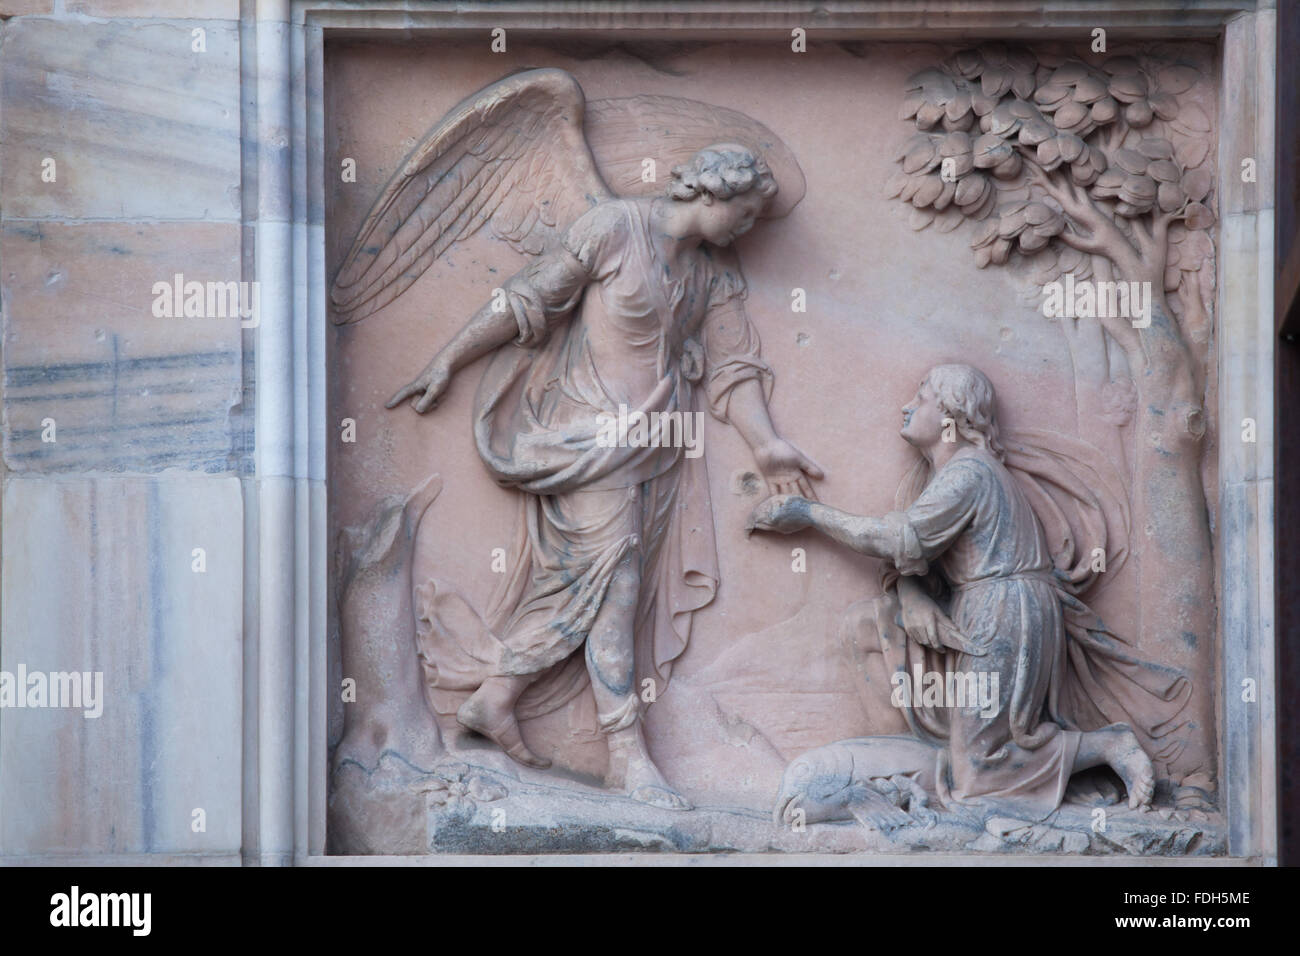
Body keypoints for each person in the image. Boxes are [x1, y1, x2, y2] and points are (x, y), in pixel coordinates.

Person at [391, 144, 823, 809]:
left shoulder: (710, 274)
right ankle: (628, 759)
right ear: (709, 195)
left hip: (656, 450)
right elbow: (526, 300)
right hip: (587, 441)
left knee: (593, 591)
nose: (747, 228)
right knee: (614, 590)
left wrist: (767, 447)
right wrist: (449, 358)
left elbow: (735, 367)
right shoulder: (616, 228)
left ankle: (495, 698)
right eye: (743, 213)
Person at [747, 364, 1160, 820]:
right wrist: (911, 596)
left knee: (980, 772)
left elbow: (895, 540)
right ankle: (905, 770)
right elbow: (915, 557)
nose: (906, 406)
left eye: (920, 398)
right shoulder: (950, 477)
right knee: (874, 626)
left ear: (950, 416)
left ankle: (1104, 745)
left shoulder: (969, 474)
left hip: (1003, 611)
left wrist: (809, 513)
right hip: (984, 608)